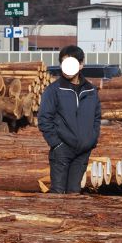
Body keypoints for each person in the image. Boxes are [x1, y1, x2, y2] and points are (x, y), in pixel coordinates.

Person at [38, 45, 101, 193]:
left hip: (83, 151)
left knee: (74, 192)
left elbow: (96, 117)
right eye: (63, 63)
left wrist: (91, 140)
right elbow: (44, 119)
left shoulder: (91, 91)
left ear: (81, 64)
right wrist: (56, 144)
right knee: (58, 193)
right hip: (62, 150)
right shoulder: (54, 90)